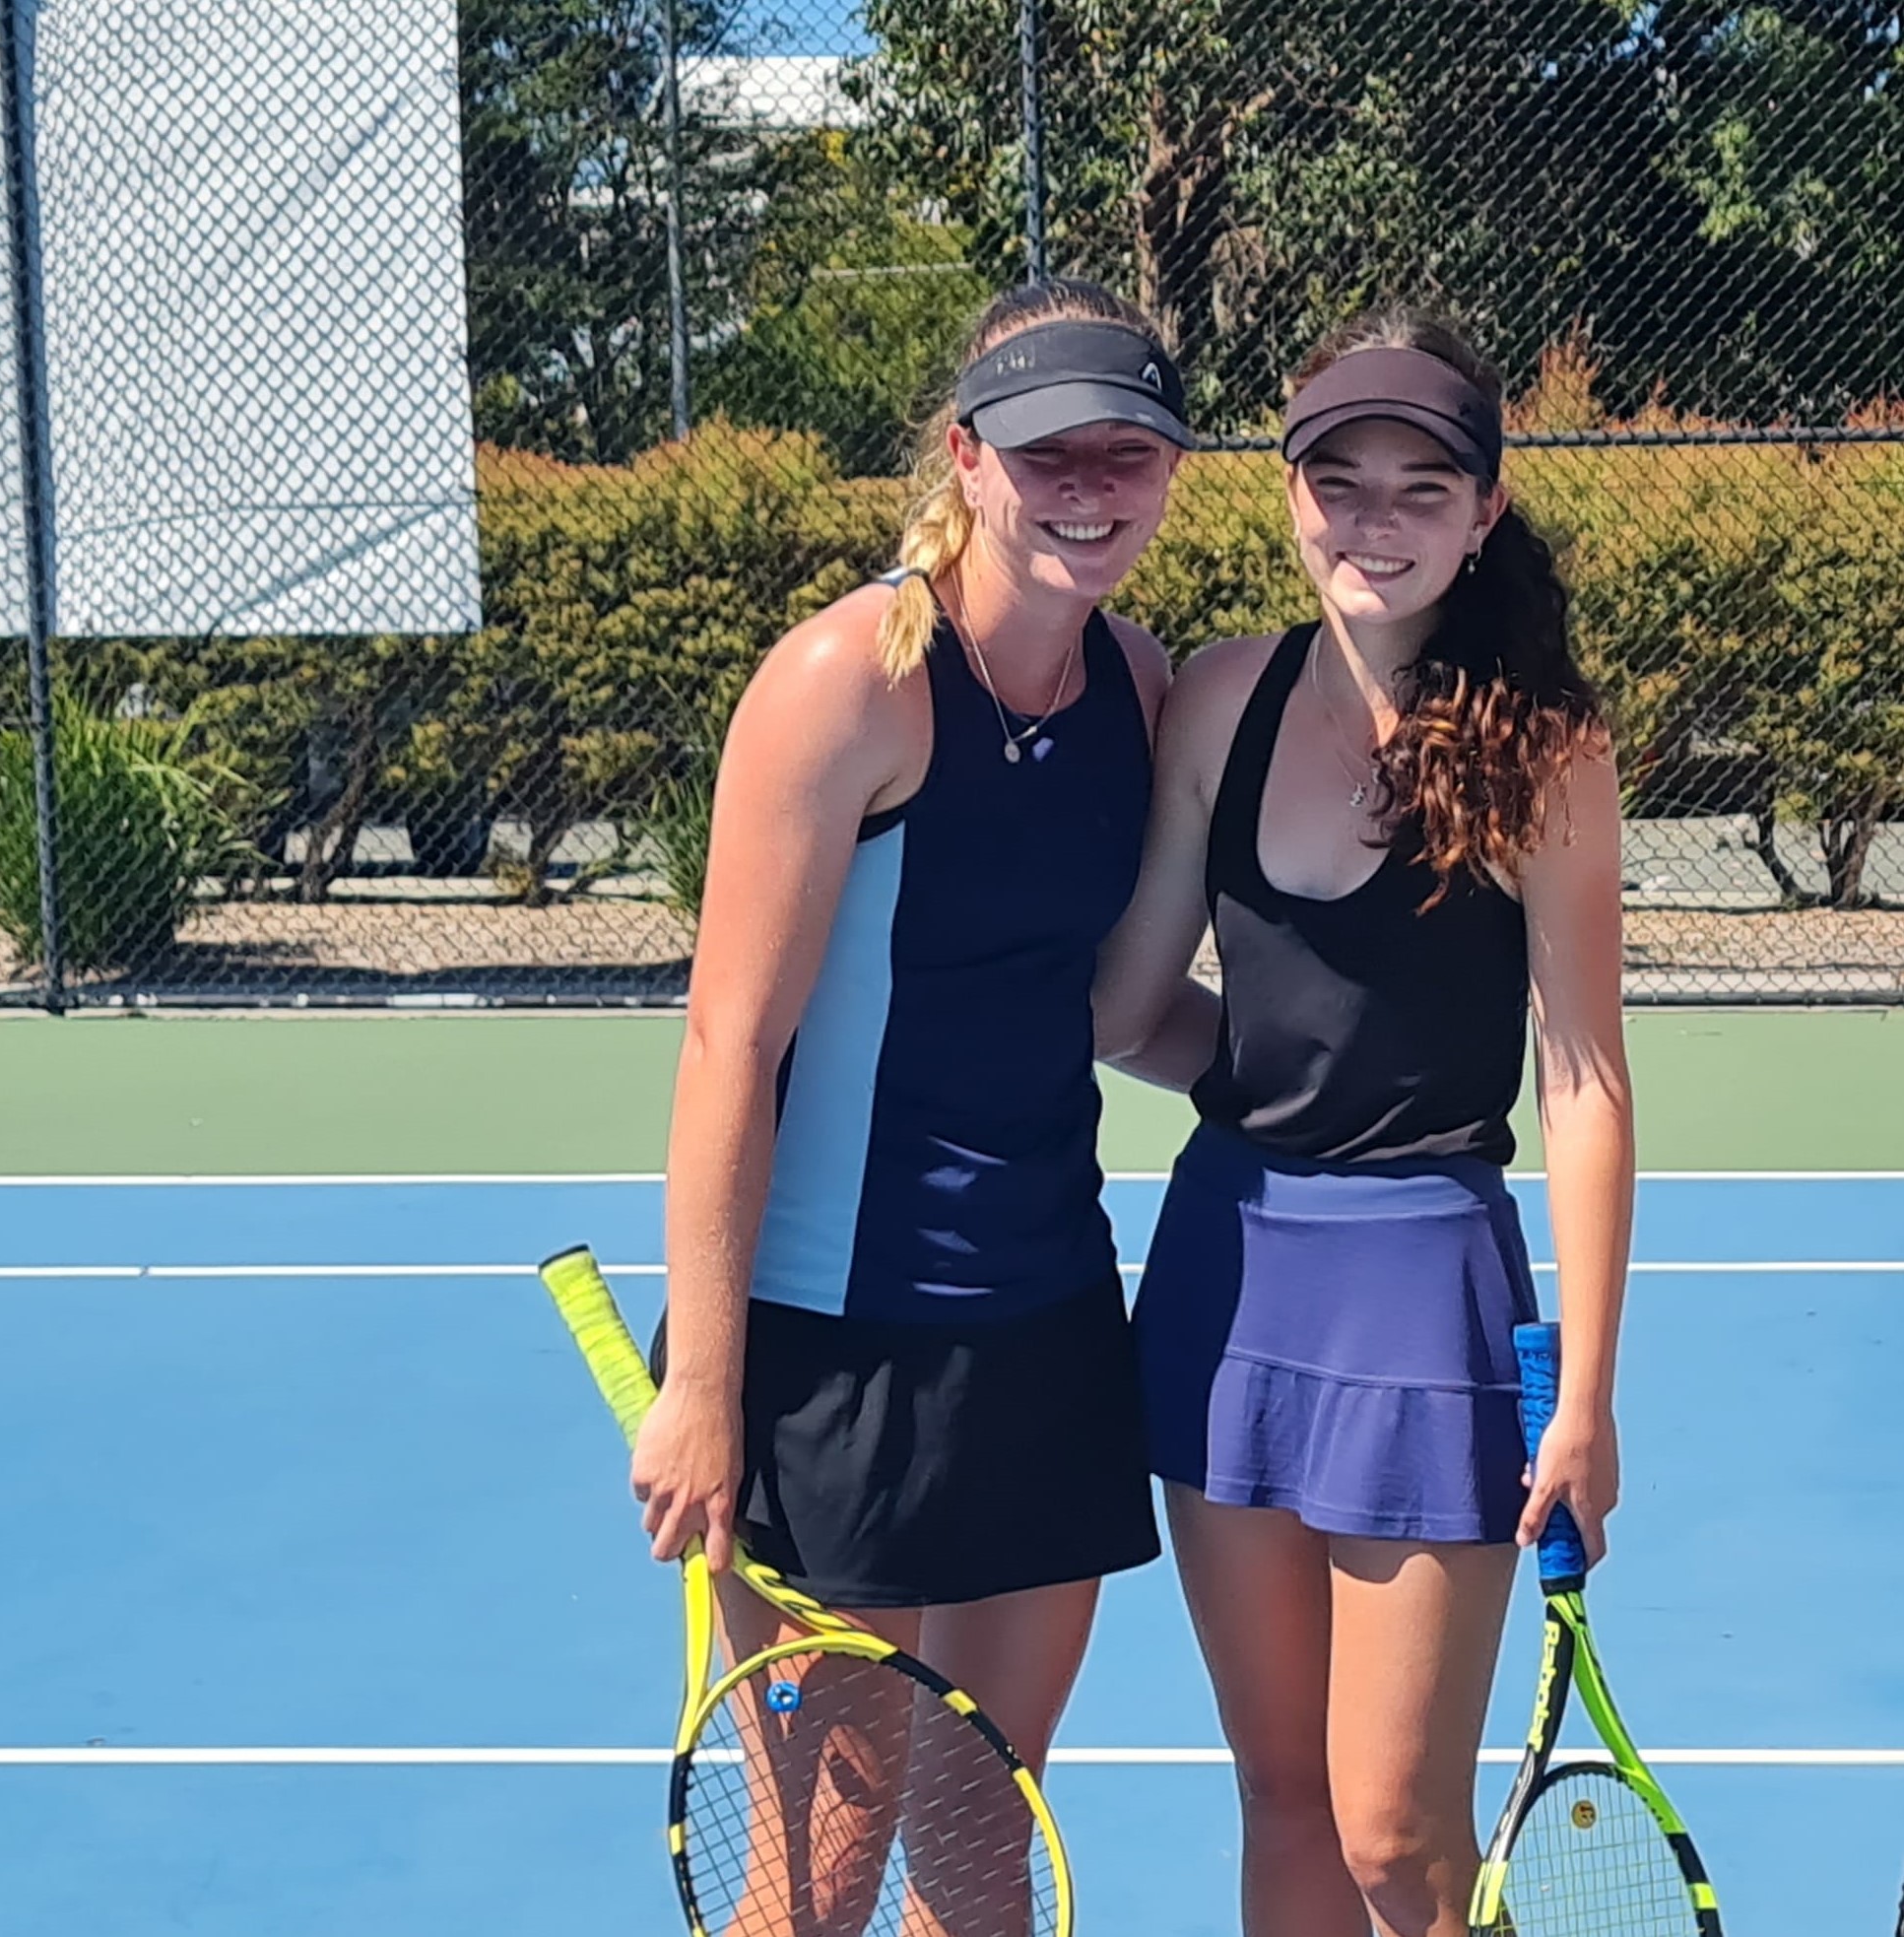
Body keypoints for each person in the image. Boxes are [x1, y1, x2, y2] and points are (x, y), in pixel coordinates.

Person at [629, 277, 1195, 1930]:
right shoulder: (844, 684)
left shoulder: (1139, 687)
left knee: (977, 1848)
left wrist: (1357, 1094)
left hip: (1044, 1332)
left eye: (1128, 454)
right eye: (1047, 454)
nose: (1089, 488)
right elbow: (729, 1042)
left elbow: (1107, 1006)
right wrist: (708, 1387)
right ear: (964, 455)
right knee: (814, 1884)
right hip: (829, 1354)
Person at [1092, 306, 1633, 1937]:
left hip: (1425, 1302)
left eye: (1420, 486)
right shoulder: (1216, 701)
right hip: (1223, 1284)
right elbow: (1127, 1007)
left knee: (1398, 1836)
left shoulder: (1548, 748)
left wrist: (1588, 1395)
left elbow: (1584, 1079)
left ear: (1483, 513)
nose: (1375, 521)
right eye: (1342, 481)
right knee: (1281, 1801)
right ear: (1287, 497)